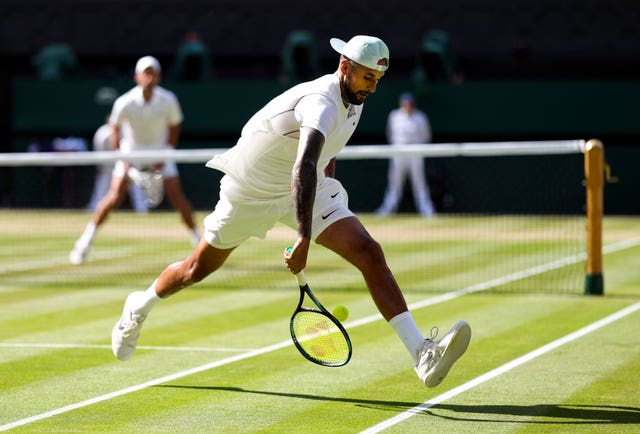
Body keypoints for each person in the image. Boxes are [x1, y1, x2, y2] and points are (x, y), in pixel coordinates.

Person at [110, 36, 471, 388]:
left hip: (305, 187)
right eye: (367, 77)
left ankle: (421, 353)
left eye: (377, 79)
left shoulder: (355, 99)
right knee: (195, 269)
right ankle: (138, 307)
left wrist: (326, 204)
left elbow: (322, 158)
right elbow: (304, 164)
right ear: (345, 67)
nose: (373, 87)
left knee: (368, 251)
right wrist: (303, 237)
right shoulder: (322, 102)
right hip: (251, 191)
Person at [70, 56, 200, 265]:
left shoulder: (168, 100)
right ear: (137, 77)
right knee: (113, 197)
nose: (149, 77)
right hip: (131, 153)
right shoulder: (125, 102)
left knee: (177, 197)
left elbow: (174, 127)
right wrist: (123, 156)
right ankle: (83, 244)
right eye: (145, 73)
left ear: (158, 77)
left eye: (153, 73)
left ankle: (198, 240)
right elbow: (115, 127)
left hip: (160, 154)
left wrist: (166, 153)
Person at [376, 92, 436, 217]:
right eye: (405, 103)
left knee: (419, 183)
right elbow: (390, 134)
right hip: (398, 154)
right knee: (394, 183)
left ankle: (427, 211)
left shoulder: (420, 117)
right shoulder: (394, 116)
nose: (407, 105)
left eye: (409, 103)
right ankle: (388, 210)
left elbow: (426, 136)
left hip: (415, 154)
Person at [86, 118, 148, 213]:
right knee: (102, 187)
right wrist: (102, 167)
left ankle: (142, 209)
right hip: (108, 166)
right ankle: (94, 207)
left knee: (136, 185)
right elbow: (99, 150)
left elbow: (132, 148)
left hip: (128, 164)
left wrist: (128, 164)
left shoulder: (127, 131)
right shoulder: (103, 133)